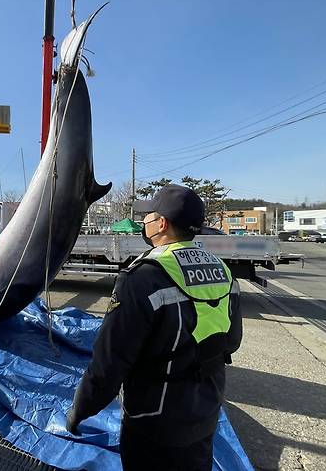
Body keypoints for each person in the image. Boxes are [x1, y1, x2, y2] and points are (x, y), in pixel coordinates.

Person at [66, 184, 243, 471]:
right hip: (205, 411)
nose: (144, 222)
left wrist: (80, 410)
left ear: (161, 223)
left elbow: (109, 362)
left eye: (148, 216)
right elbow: (231, 341)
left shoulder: (143, 277)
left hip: (154, 421)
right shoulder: (223, 271)